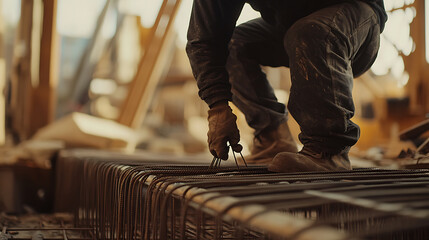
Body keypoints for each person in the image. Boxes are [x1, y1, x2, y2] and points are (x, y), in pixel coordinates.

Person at [186, 0, 387, 172]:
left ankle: (328, 150)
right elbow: (203, 41)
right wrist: (218, 107)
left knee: (309, 31)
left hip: (356, 20)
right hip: (292, 28)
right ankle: (273, 138)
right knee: (234, 45)